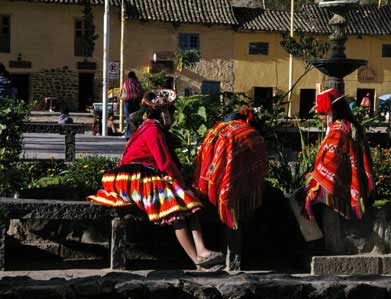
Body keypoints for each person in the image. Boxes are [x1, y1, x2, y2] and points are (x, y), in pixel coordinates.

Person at [87, 91, 224, 270]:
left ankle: (202, 250)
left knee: (188, 202)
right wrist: (181, 185)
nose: (173, 119)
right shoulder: (152, 129)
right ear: (164, 114)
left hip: (140, 175)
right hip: (133, 177)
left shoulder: (150, 128)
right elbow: (164, 161)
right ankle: (196, 259)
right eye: (172, 114)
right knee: (175, 205)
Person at [192, 107, 269, 231]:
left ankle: (231, 246)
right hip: (241, 187)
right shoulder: (249, 133)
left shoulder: (215, 130)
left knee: (229, 217)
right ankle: (237, 246)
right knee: (239, 218)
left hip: (212, 184)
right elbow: (260, 163)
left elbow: (202, 158)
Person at [305, 88, 375, 222]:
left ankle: (314, 238)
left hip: (342, 191)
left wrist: (313, 185)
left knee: (303, 202)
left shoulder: (339, 131)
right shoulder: (350, 125)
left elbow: (332, 165)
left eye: (322, 113)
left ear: (332, 111)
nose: (320, 117)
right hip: (356, 185)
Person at [120, 71, 144, 139]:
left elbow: (122, 93)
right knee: (135, 118)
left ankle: (128, 134)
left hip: (128, 102)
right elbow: (142, 91)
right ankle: (136, 134)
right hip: (136, 102)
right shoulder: (137, 83)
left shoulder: (126, 83)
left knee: (128, 118)